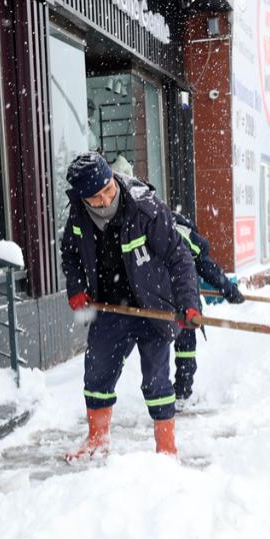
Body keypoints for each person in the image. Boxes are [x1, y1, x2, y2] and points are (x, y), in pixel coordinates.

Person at [59, 152, 200, 458]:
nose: (107, 198)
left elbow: (180, 257)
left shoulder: (144, 209)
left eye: (109, 188)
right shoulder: (79, 216)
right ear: (83, 197)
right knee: (97, 375)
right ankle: (97, 438)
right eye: (96, 196)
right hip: (111, 309)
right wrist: (77, 287)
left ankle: (166, 448)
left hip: (154, 308)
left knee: (156, 381)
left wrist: (188, 302)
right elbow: (69, 253)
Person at [170, 212, 245, 409]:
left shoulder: (152, 225)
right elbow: (205, 265)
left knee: (156, 346)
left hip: (156, 295)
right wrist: (229, 291)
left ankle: (160, 392)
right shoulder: (183, 232)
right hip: (182, 297)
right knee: (185, 344)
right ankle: (182, 394)